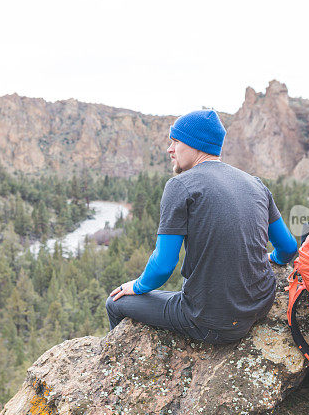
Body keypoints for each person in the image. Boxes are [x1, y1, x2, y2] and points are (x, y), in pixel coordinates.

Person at [105, 109, 297, 344]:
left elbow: (163, 265)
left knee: (115, 302)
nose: (169, 149)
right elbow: (288, 248)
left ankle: (118, 369)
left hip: (210, 322)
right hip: (260, 306)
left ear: (195, 144)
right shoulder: (255, 184)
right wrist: (272, 258)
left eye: (175, 141)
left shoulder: (180, 185)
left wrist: (137, 285)